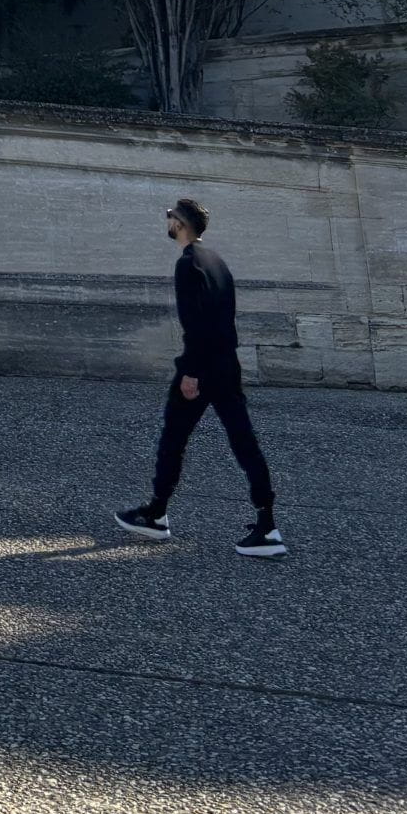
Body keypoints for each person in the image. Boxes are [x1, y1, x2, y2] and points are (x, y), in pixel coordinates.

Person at [114, 198, 285, 558]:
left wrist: (191, 372)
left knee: (173, 439)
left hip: (202, 366)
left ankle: (156, 514)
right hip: (226, 363)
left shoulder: (189, 264)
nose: (168, 222)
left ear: (181, 224)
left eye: (170, 218)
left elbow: (196, 323)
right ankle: (267, 524)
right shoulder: (218, 262)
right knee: (244, 441)